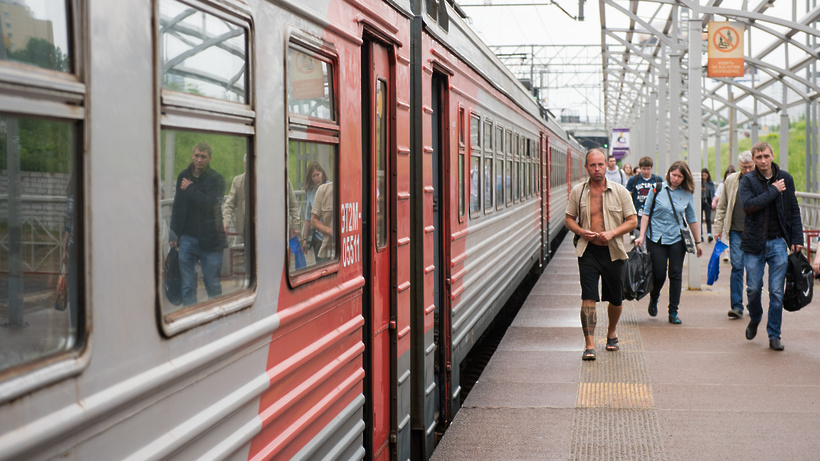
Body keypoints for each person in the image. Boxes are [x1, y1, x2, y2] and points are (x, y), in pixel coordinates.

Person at [565, 149, 637, 361]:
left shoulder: (620, 191)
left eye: (600, 165)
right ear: (586, 167)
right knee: (588, 296)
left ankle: (612, 332)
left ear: (606, 166)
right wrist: (580, 231)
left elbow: (632, 220)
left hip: (613, 251)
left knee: (615, 297)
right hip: (588, 250)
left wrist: (612, 232)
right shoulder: (578, 192)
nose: (597, 169)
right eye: (593, 165)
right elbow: (569, 219)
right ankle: (589, 344)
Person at [739, 141, 803, 351]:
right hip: (753, 242)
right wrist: (774, 190)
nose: (763, 161)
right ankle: (755, 317)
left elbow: (794, 209)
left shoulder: (786, 178)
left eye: (766, 156)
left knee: (776, 291)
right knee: (753, 288)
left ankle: (774, 334)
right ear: (753, 159)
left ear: (772, 155)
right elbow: (749, 206)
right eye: (759, 157)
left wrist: (797, 238)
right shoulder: (747, 180)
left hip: (777, 242)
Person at [635, 161, 703, 324]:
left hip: (677, 239)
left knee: (675, 274)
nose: (676, 179)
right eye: (674, 175)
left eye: (680, 176)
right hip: (656, 237)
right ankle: (654, 296)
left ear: (684, 178)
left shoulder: (687, 193)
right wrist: (641, 236)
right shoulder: (657, 189)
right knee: (659, 274)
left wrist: (698, 242)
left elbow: (692, 218)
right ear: (669, 174)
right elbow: (646, 213)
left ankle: (673, 311)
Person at [170, 142, 228, 306]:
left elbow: (212, 204)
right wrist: (173, 233)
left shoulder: (216, 179)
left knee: (212, 285)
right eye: (197, 155)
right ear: (192, 156)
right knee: (187, 285)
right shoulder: (183, 176)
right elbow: (177, 206)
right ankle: (191, 320)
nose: (199, 160)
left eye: (203, 156)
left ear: (210, 158)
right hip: (188, 237)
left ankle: (216, 318)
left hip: (211, 239)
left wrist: (191, 188)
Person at [713, 152, 754, 319]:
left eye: (750, 167)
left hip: (756, 231)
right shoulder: (731, 181)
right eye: (744, 167)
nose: (747, 170)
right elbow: (722, 206)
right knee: (737, 266)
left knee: (753, 268)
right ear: (739, 165)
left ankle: (753, 303)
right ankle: (737, 306)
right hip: (736, 230)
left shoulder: (762, 180)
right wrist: (718, 228)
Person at [626, 156, 663, 240]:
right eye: (643, 169)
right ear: (640, 168)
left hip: (653, 213)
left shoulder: (657, 180)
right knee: (639, 238)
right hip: (638, 213)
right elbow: (628, 195)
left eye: (648, 169)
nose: (646, 171)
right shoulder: (634, 180)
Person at [301, 161, 329, 261]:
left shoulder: (330, 187)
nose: (316, 178)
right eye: (313, 176)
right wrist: (305, 239)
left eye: (318, 175)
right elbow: (308, 217)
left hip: (330, 237)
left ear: (322, 173)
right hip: (318, 238)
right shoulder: (311, 191)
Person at [223, 154, 247, 243]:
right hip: (244, 229)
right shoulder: (238, 181)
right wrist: (226, 223)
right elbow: (229, 204)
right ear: (244, 164)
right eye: (247, 165)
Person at [311, 181, 335, 261]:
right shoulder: (323, 190)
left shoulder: (358, 190)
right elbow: (313, 220)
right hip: (329, 251)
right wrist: (330, 231)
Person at [701, 168, 716, 242]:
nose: (704, 177)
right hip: (700, 201)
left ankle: (709, 234)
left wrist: (713, 202)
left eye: (705, 175)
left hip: (708, 201)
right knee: (699, 219)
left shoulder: (710, 183)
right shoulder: (699, 183)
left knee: (708, 218)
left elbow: (713, 193)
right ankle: (700, 235)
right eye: (702, 175)